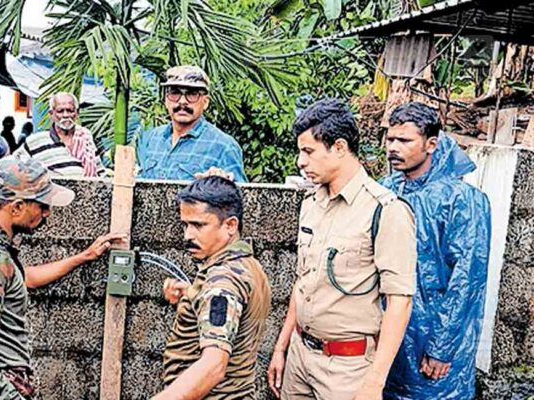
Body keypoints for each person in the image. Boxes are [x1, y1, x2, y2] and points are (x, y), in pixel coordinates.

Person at [267, 98, 417, 400]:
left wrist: (374, 383)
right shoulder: (312, 204)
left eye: (308, 151)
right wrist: (282, 347)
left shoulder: (385, 211)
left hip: (347, 369)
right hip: (299, 356)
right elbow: (303, 282)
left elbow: (399, 302)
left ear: (338, 147)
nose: (301, 162)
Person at [0, 157, 126, 400]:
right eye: (41, 205)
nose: (47, 213)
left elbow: (19, 279)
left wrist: (82, 257)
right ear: (17, 207)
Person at [380, 102, 491, 400]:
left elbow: (466, 279)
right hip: (390, 332)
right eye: (390, 139)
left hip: (432, 337)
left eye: (404, 140)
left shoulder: (462, 200)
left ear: (431, 144)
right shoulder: (386, 190)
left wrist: (442, 346)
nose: (393, 147)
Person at [154, 176, 270, 399]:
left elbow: (213, 365)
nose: (188, 235)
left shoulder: (223, 280)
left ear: (230, 225)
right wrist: (191, 294)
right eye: (185, 225)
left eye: (199, 225)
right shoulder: (246, 263)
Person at [137, 65, 247, 183]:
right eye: (175, 93)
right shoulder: (152, 138)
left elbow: (242, 197)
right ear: (166, 100)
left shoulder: (224, 146)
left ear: (205, 102)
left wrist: (221, 183)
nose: (182, 101)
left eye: (192, 94)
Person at [13, 92, 105, 177]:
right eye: (60, 111)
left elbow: (100, 172)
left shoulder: (86, 139)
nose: (66, 115)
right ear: (51, 114)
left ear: (76, 113)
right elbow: (14, 164)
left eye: (70, 110)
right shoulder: (35, 141)